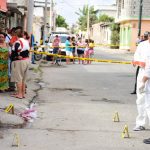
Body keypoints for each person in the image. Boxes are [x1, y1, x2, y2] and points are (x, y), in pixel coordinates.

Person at [133, 31, 150, 131]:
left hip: (147, 73)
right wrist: (140, 63)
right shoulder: (142, 45)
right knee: (141, 99)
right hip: (143, 72)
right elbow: (135, 59)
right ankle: (141, 123)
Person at [10, 26, 30, 99]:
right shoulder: (26, 41)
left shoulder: (17, 42)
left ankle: (19, 94)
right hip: (26, 60)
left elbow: (14, 52)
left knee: (18, 78)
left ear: (16, 34)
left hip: (19, 62)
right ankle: (23, 94)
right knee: (23, 79)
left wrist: (16, 56)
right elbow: (27, 51)